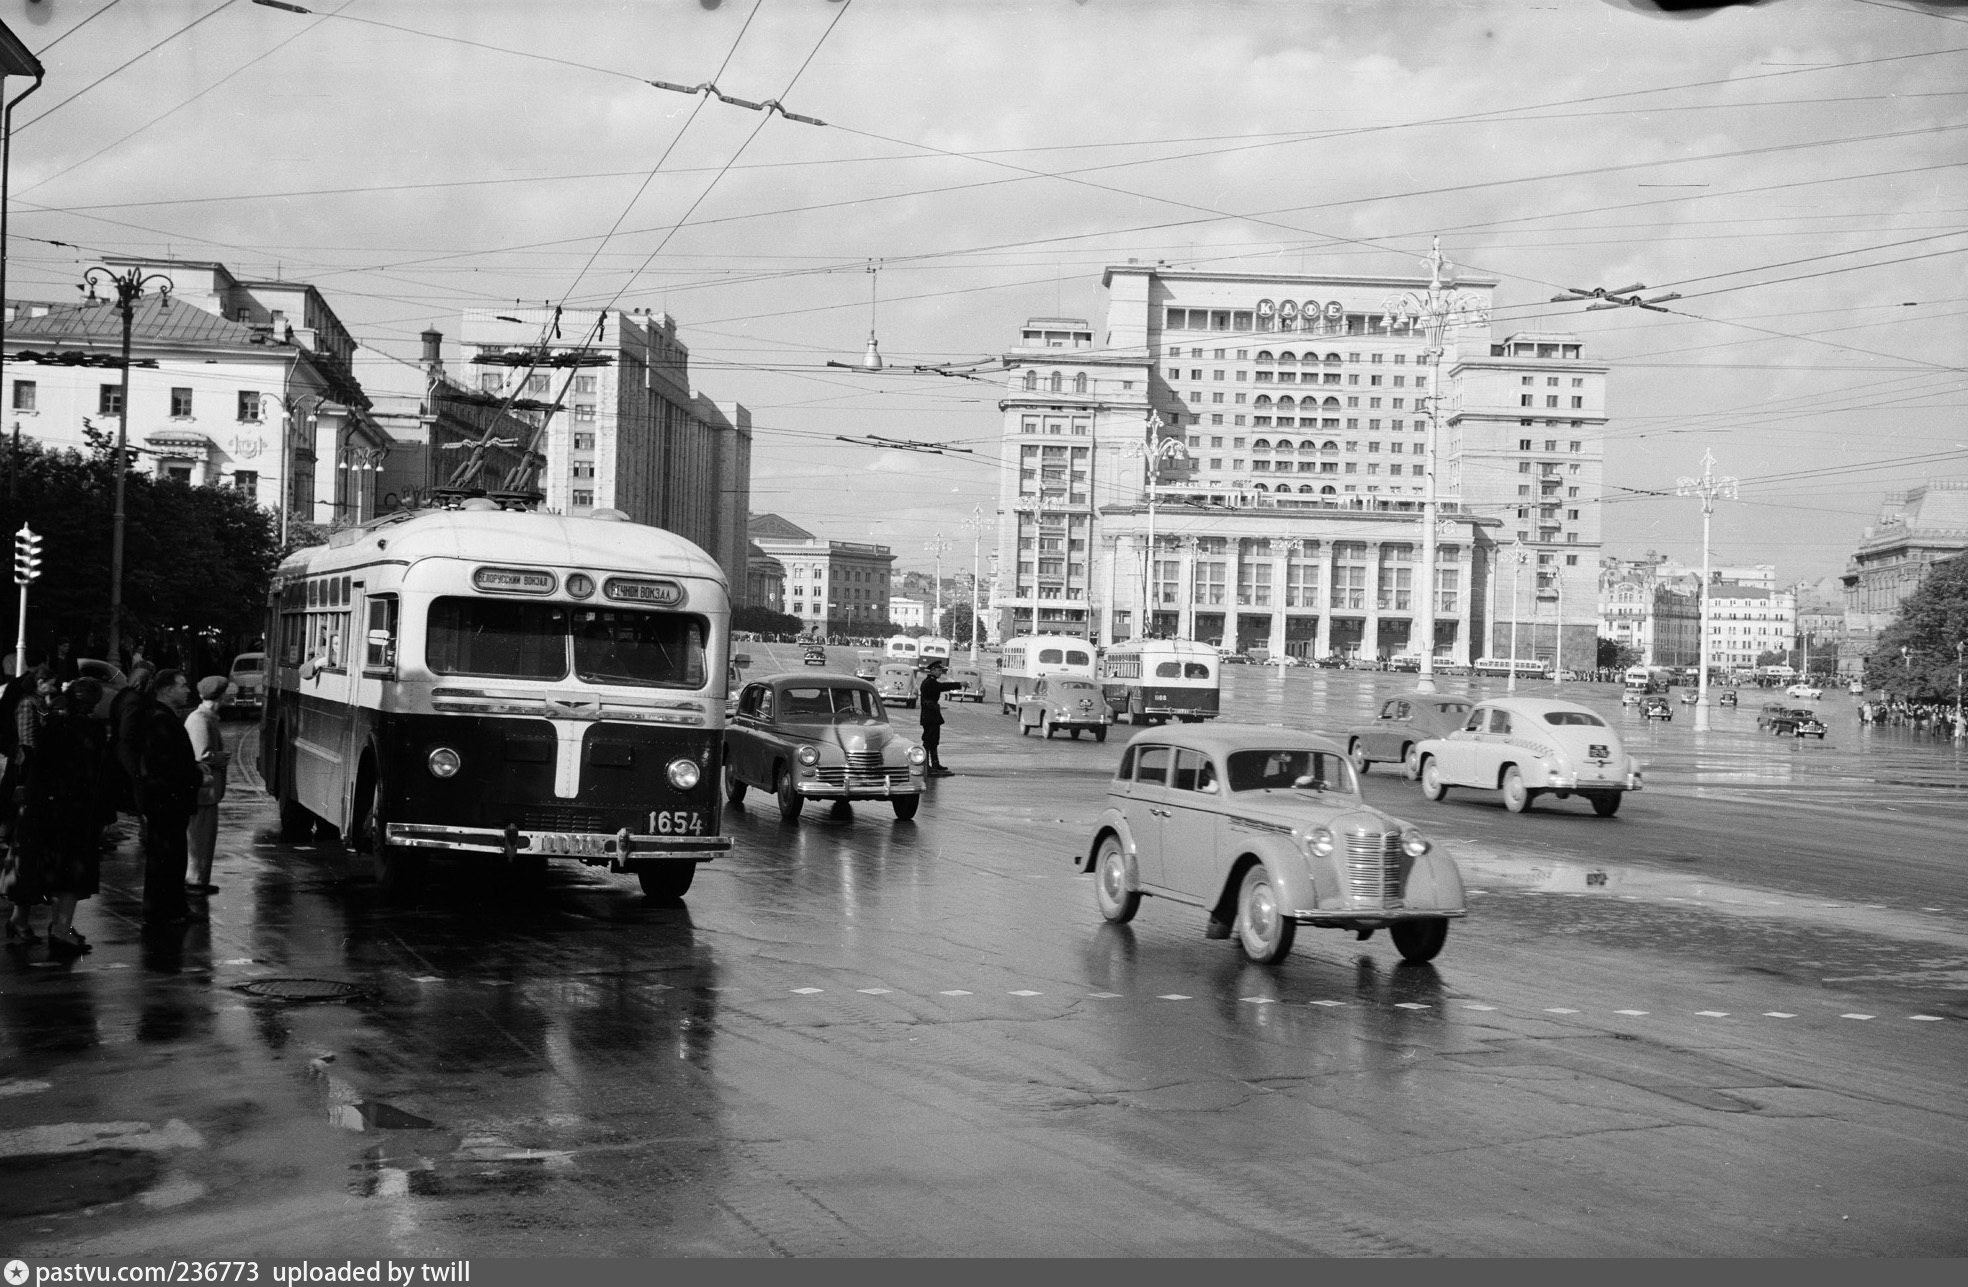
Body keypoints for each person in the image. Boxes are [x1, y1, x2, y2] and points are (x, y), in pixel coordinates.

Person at [14, 679, 109, 957]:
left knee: (56, 870)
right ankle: (62, 928)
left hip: (50, 809)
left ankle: (59, 927)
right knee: (73, 873)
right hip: (78, 810)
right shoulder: (90, 730)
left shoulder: (53, 727)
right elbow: (98, 773)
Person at [129, 670, 202, 928]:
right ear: (167, 690)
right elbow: (167, 764)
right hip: (166, 799)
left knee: (170, 854)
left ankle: (171, 906)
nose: (187, 691)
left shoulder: (163, 717)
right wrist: (195, 774)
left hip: (166, 798)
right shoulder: (160, 720)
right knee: (167, 855)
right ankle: (165, 909)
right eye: (182, 686)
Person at [184, 676, 231, 895]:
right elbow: (201, 755)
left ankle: (199, 879)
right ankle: (195, 880)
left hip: (207, 791)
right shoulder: (200, 719)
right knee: (200, 837)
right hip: (204, 791)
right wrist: (222, 757)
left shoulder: (206, 717)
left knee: (203, 837)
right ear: (220, 696)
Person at [917, 658, 957, 777]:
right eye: (939, 670)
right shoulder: (929, 682)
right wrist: (959, 684)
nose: (941, 673)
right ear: (933, 670)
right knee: (928, 741)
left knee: (933, 741)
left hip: (932, 715)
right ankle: (926, 765)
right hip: (930, 716)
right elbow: (942, 686)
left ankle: (935, 764)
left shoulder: (930, 681)